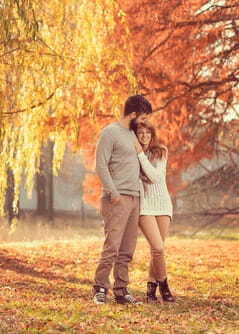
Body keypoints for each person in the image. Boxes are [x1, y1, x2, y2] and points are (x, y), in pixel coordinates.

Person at [92, 94, 152, 305]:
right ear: (133, 114)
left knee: (127, 249)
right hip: (117, 198)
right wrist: (113, 192)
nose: (144, 122)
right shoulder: (110, 133)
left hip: (135, 198)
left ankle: (121, 290)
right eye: (143, 117)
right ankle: (100, 288)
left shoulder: (132, 135)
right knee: (112, 247)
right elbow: (100, 165)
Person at [133, 121, 176, 303]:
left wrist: (141, 155)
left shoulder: (160, 152)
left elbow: (155, 177)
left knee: (157, 250)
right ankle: (164, 285)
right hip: (144, 206)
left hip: (163, 204)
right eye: (140, 133)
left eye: (147, 133)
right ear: (135, 136)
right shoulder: (130, 155)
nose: (144, 136)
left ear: (152, 135)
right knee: (158, 247)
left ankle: (151, 289)